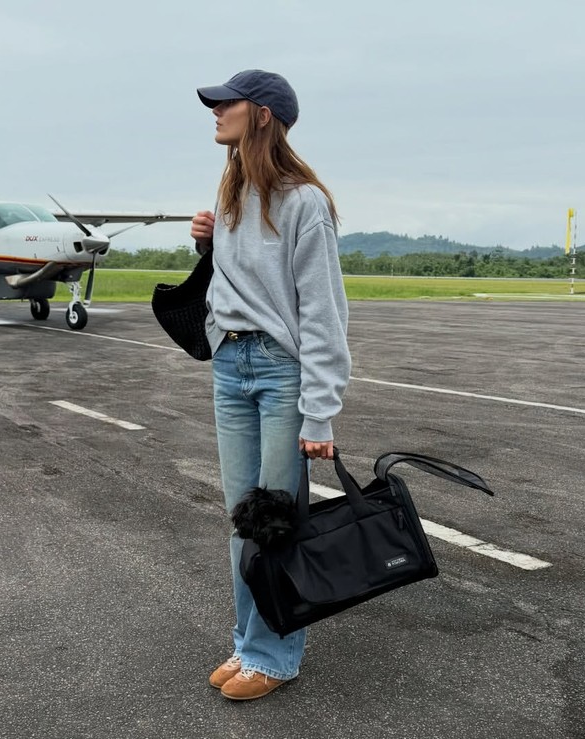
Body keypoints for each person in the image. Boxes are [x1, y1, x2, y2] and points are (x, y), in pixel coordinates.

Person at [191, 69, 351, 701]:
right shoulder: (231, 196)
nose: (215, 112)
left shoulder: (304, 202)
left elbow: (322, 313)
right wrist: (205, 246)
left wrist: (321, 415)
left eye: (225, 104)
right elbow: (237, 288)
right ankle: (247, 641)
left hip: (282, 374)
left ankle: (275, 654)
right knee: (243, 522)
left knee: (276, 523)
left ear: (261, 115)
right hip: (231, 367)